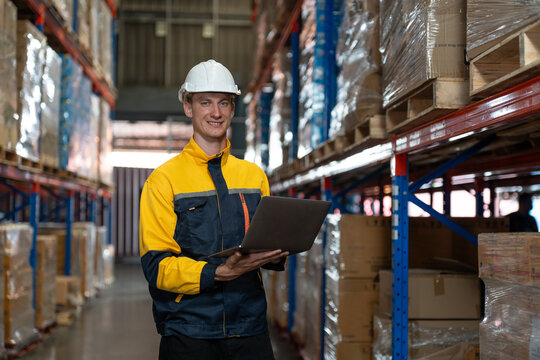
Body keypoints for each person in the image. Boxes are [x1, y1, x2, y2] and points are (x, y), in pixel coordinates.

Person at [139, 59, 288, 360]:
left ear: (233, 109)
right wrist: (219, 272)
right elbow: (157, 267)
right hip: (188, 333)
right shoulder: (163, 181)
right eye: (205, 102)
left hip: (249, 329)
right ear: (188, 107)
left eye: (224, 103)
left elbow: (262, 244)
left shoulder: (254, 176)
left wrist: (278, 251)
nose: (216, 112)